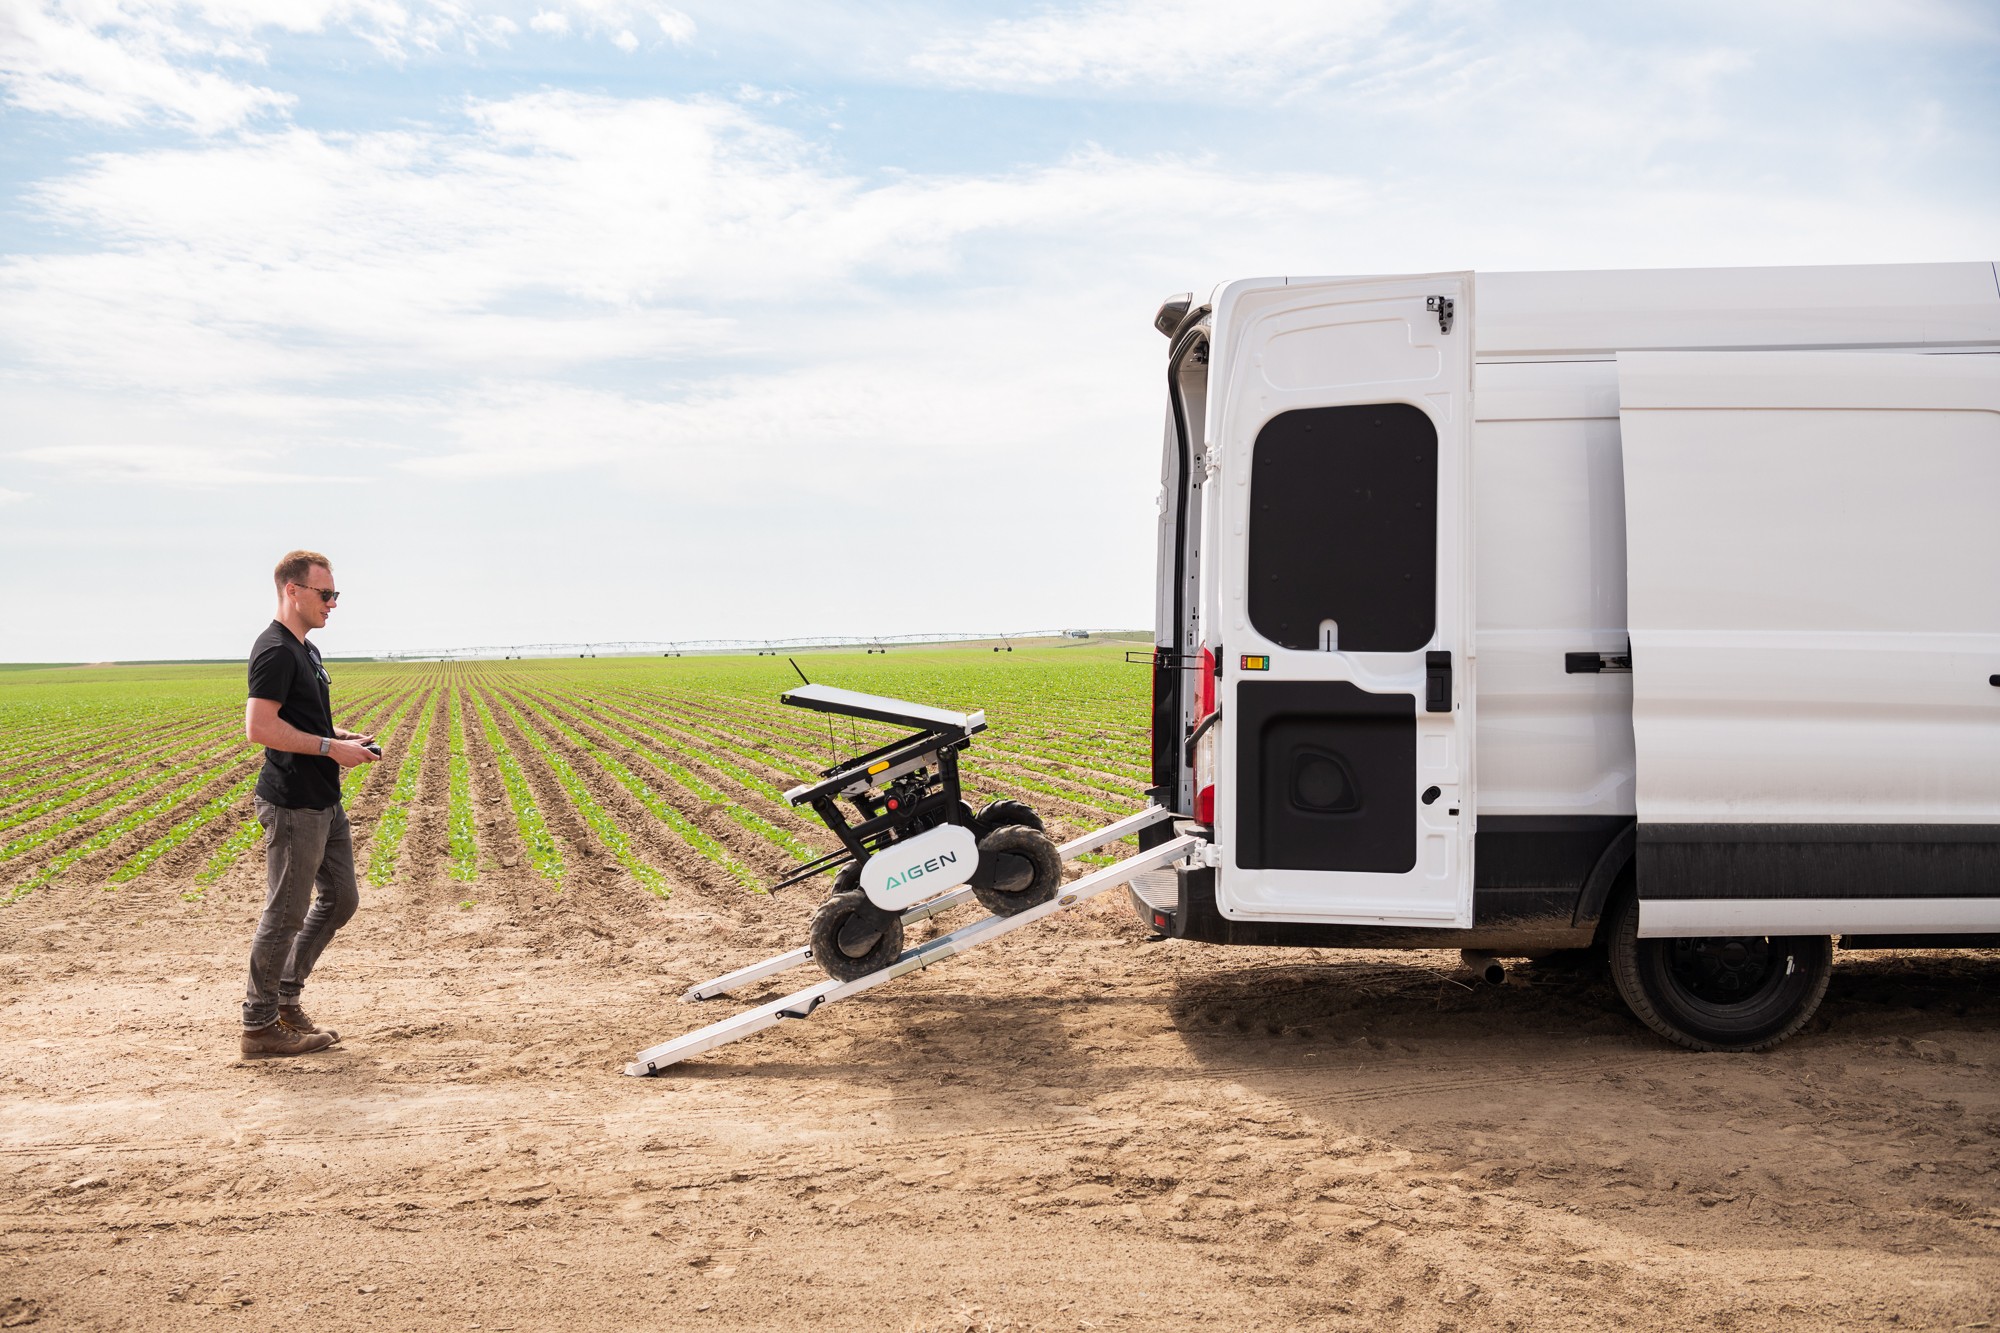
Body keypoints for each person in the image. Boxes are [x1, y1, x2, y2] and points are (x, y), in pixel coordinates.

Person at [239, 550, 380, 1058]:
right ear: (292, 591)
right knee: (285, 912)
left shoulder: (307, 650)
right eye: (325, 594)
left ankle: (284, 998)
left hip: (323, 798)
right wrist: (330, 748)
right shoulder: (275, 650)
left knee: (341, 898)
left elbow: (300, 719)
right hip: (293, 802)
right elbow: (260, 727)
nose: (333, 604)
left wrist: (341, 736)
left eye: (336, 594)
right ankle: (259, 1026)